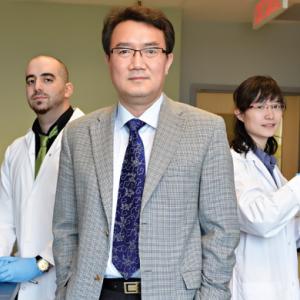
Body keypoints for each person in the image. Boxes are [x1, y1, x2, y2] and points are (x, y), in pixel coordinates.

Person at [52, 5, 240, 300]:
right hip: (92, 292)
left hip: (175, 293)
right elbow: (65, 225)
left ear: (168, 61)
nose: (137, 62)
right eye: (124, 51)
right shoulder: (79, 134)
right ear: (108, 59)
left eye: (151, 51)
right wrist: (65, 285)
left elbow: (222, 230)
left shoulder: (206, 129)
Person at [0, 55, 84, 300]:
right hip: (19, 288)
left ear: (68, 89)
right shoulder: (16, 150)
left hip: (67, 283)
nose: (37, 87)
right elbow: (4, 218)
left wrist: (42, 263)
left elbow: (91, 219)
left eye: (48, 79)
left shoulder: (89, 140)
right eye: (30, 81)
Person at [230, 75, 300, 300]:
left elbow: (286, 230)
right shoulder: (233, 164)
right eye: (260, 106)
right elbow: (259, 219)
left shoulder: (270, 166)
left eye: (276, 105)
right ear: (240, 113)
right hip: (253, 289)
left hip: (282, 287)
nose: (270, 114)